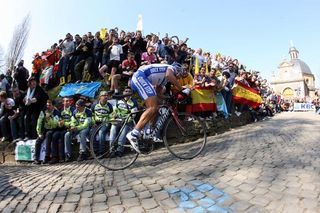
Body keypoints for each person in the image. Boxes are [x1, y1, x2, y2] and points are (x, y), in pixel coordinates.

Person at [126, 62, 189, 153]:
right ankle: (134, 133)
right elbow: (169, 75)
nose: (179, 78)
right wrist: (181, 89)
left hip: (141, 79)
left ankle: (148, 131)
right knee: (153, 107)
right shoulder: (171, 68)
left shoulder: (164, 80)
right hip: (140, 76)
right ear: (178, 70)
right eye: (180, 75)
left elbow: (158, 92)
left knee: (156, 108)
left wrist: (168, 98)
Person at [109, 87, 138, 156]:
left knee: (123, 131)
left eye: (129, 91)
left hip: (127, 121)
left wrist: (125, 121)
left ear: (131, 94)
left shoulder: (133, 102)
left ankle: (119, 150)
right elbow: (114, 110)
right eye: (126, 91)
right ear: (123, 92)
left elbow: (133, 115)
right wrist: (113, 116)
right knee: (113, 130)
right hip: (118, 119)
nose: (127, 92)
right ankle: (111, 149)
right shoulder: (119, 100)